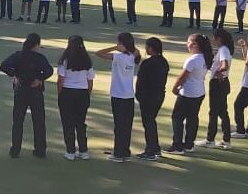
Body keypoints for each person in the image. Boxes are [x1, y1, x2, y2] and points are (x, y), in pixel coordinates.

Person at [0, 33, 54, 158]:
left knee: (18, 121)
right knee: (39, 120)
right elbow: (49, 70)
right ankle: (40, 150)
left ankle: (15, 150)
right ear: (36, 45)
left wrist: (15, 75)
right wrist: (40, 78)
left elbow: (3, 66)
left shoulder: (18, 55)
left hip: (21, 89)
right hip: (36, 91)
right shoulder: (39, 58)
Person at [95, 32, 140, 162]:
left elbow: (98, 53)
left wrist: (114, 48)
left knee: (119, 125)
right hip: (129, 96)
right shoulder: (133, 55)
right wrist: (128, 47)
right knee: (126, 125)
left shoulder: (118, 57)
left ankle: (119, 153)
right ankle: (124, 151)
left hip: (118, 95)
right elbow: (136, 51)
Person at [167, 33, 213, 154]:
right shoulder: (205, 57)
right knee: (192, 118)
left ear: (195, 44)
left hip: (188, 92)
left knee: (177, 117)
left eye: (189, 43)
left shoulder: (193, 60)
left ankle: (177, 145)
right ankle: (189, 144)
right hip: (199, 91)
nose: (187, 45)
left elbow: (182, 76)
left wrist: (175, 87)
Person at [54, 37, 97, 161]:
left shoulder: (65, 60)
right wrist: (87, 94)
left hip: (67, 92)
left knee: (68, 123)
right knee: (80, 123)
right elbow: (90, 81)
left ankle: (70, 151)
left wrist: (60, 95)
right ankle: (83, 151)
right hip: (82, 93)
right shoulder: (87, 60)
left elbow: (60, 81)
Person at [135, 37, 169, 160]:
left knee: (148, 123)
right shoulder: (164, 62)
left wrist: (138, 95)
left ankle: (151, 150)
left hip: (148, 96)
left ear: (150, 48)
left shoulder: (147, 63)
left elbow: (141, 81)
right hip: (159, 95)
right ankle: (155, 148)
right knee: (151, 121)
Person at [203, 29, 234, 148]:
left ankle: (210, 139)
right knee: (222, 111)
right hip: (222, 83)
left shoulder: (223, 50)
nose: (213, 40)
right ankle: (226, 139)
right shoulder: (224, 50)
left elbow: (224, 65)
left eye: (215, 38)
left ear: (220, 39)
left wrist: (217, 72)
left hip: (218, 84)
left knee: (214, 111)